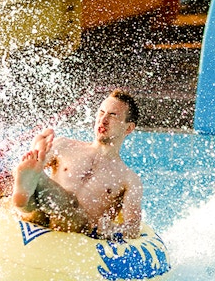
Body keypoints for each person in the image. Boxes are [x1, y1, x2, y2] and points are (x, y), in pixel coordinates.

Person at [9, 89, 143, 240]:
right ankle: (24, 193)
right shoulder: (64, 146)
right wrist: (4, 183)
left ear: (129, 128)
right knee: (33, 186)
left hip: (78, 226)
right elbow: (29, 168)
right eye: (101, 112)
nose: (103, 120)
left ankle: (33, 183)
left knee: (68, 202)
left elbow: (133, 227)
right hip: (43, 211)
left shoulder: (129, 179)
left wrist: (112, 230)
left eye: (113, 115)